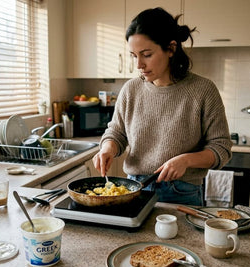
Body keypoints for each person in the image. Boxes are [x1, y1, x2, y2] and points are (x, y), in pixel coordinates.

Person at [93, 7, 232, 206]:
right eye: (134, 55)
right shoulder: (131, 89)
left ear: (171, 49)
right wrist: (107, 148)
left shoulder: (203, 90)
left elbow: (221, 148)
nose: (139, 64)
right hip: (133, 189)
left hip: (182, 193)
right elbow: (117, 132)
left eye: (146, 54)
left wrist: (185, 161)